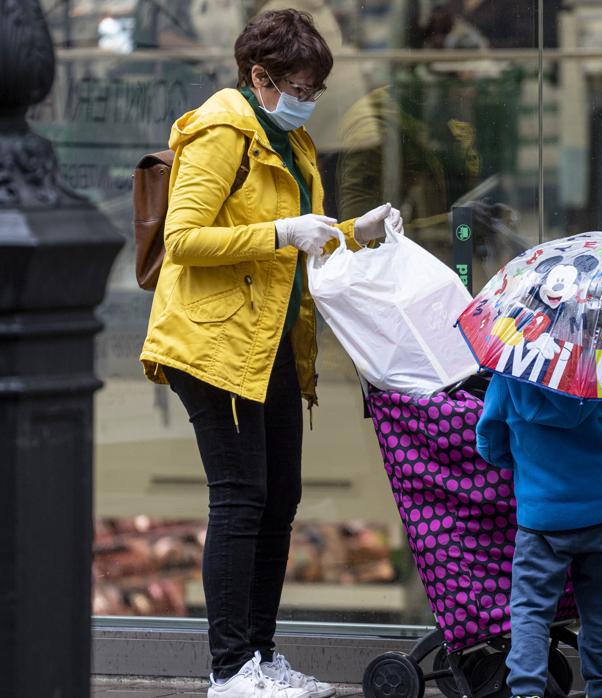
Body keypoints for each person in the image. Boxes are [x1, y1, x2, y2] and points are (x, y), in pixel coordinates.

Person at [139, 10, 398, 698]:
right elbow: (185, 239)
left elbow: (299, 240)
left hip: (272, 340)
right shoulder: (222, 130)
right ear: (260, 77)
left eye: (316, 85)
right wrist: (282, 229)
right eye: (300, 84)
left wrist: (354, 232)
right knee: (240, 499)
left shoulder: (291, 141)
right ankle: (230, 671)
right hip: (213, 341)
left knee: (279, 498)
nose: (311, 97)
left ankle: (260, 655)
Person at [475, 375, 602, 698]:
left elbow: (488, 443)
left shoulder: (509, 375)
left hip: (539, 521)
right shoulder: (601, 369)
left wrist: (520, 463)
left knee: (530, 609)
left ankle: (526, 690)